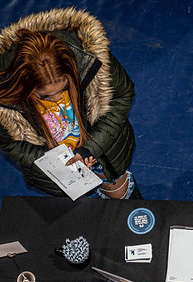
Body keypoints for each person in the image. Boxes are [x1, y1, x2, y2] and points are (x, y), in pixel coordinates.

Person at [0, 7, 142, 199]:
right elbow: (15, 146)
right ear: (23, 86)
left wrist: (89, 150)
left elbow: (121, 97)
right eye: (45, 96)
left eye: (63, 88)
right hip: (61, 173)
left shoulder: (91, 57)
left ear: (70, 70)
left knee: (120, 201)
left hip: (103, 149)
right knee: (85, 215)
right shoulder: (5, 102)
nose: (57, 98)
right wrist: (61, 165)